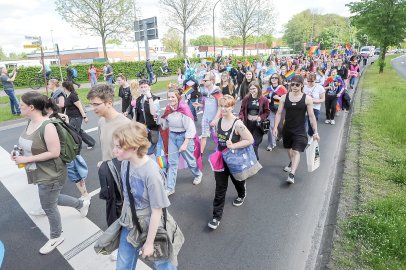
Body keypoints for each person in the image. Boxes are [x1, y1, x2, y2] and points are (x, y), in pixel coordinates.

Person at [12, 92, 90, 254]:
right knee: (52, 199)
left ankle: (56, 236)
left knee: (48, 205)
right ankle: (81, 203)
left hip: (51, 172)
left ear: (32, 107)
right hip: (39, 170)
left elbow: (54, 152)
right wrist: (18, 153)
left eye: (21, 105)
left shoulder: (47, 126)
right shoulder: (30, 122)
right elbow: (30, 142)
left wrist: (26, 159)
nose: (19, 107)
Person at [112, 122, 183, 270]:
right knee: (123, 266)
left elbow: (157, 211)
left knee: (164, 266)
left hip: (151, 224)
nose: (114, 151)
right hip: (130, 222)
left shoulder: (151, 173)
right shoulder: (126, 163)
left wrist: (149, 243)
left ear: (134, 147)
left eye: (119, 147)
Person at [87, 84, 131, 261]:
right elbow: (106, 148)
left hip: (122, 173)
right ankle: (117, 242)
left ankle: (124, 244)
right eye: (91, 104)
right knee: (112, 209)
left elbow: (131, 154)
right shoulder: (100, 121)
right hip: (107, 173)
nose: (93, 108)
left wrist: (110, 163)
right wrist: (103, 163)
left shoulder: (125, 124)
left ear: (109, 103)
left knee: (122, 209)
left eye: (96, 104)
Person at [208, 95, 254, 230]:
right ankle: (216, 217)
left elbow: (250, 140)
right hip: (221, 159)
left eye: (226, 106)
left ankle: (241, 193)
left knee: (237, 180)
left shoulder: (238, 124)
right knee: (220, 188)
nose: (223, 109)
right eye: (221, 106)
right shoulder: (219, 122)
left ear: (232, 107)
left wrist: (233, 146)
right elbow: (218, 138)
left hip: (234, 159)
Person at [272, 75, 320, 184]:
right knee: (289, 149)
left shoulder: (307, 99)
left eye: (297, 85)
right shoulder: (284, 97)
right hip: (287, 129)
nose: (294, 87)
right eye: (292, 84)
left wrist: (315, 132)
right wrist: (275, 127)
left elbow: (311, 116)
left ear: (302, 85)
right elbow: (279, 113)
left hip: (300, 129)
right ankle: (291, 162)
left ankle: (292, 174)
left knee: (296, 150)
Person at [160, 86, 203, 196]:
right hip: (173, 137)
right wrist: (161, 120)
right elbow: (165, 126)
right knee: (172, 162)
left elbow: (191, 129)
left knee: (190, 160)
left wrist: (185, 144)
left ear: (177, 97)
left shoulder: (183, 108)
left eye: (173, 97)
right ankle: (170, 188)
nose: (171, 99)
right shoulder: (168, 109)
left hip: (184, 137)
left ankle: (198, 174)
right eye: (169, 97)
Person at [239, 82, 270, 160]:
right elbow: (242, 110)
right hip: (248, 124)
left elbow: (267, 111)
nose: (252, 90)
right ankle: (252, 159)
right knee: (248, 142)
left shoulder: (264, 99)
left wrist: (261, 117)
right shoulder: (246, 98)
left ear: (258, 88)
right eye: (250, 89)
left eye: (254, 88)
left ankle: (255, 159)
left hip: (258, 125)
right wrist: (241, 117)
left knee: (254, 143)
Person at [193, 72, 222, 155]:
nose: (203, 82)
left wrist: (216, 119)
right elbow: (206, 103)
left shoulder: (216, 90)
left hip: (215, 119)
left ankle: (221, 151)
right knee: (204, 135)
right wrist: (200, 104)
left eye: (205, 80)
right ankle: (200, 154)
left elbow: (220, 106)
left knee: (217, 136)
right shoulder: (205, 90)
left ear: (212, 81)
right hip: (205, 117)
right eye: (203, 80)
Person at [63, 81, 95, 150]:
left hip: (76, 117)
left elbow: (80, 107)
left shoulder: (73, 95)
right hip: (70, 117)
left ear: (64, 87)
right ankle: (91, 142)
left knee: (73, 132)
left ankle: (76, 148)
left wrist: (85, 117)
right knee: (78, 131)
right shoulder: (67, 95)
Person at [132, 79, 161, 155]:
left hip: (152, 129)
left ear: (149, 87)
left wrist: (149, 98)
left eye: (145, 87)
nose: (143, 89)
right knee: (143, 149)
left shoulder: (155, 99)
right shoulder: (139, 99)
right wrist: (133, 125)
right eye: (141, 87)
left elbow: (153, 112)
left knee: (150, 150)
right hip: (142, 129)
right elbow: (136, 113)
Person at [264, 74, 288, 151]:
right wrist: (267, 100)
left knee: (280, 126)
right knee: (271, 127)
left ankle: (280, 135)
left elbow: (287, 100)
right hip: (271, 110)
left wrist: (278, 98)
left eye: (275, 78)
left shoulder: (282, 88)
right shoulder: (269, 88)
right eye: (272, 78)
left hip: (281, 110)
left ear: (278, 79)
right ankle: (271, 144)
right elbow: (265, 97)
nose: (274, 79)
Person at [304, 72, 325, 138]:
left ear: (315, 80)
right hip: (304, 107)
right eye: (308, 81)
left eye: (312, 81)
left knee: (311, 123)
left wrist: (314, 100)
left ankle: (311, 135)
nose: (310, 82)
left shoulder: (320, 88)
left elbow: (323, 99)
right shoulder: (304, 87)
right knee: (303, 123)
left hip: (315, 108)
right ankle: (303, 137)